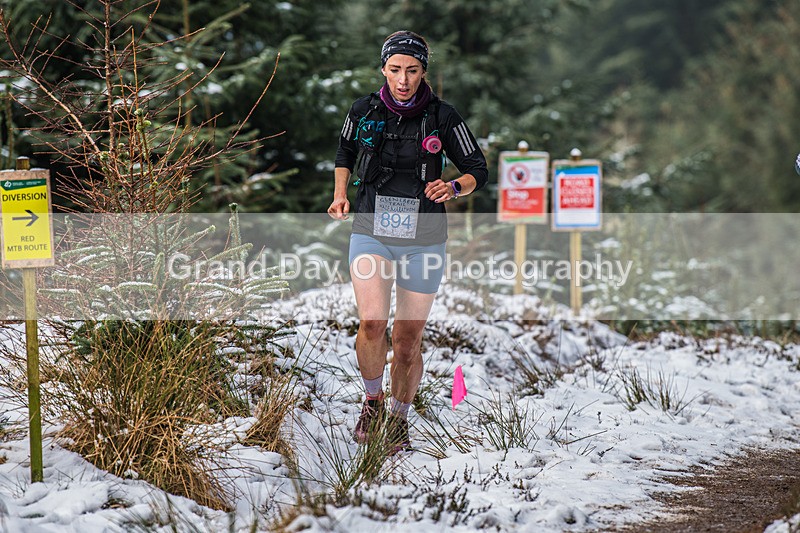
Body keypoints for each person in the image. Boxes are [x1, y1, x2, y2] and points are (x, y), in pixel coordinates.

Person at [328, 30, 488, 453]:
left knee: (407, 340)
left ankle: (399, 417)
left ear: (423, 72)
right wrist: (340, 194)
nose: (403, 79)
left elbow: (477, 169)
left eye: (412, 70)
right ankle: (372, 402)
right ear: (383, 69)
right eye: (395, 70)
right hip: (371, 231)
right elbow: (344, 154)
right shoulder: (362, 110)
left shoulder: (443, 116)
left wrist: (454, 188)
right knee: (372, 324)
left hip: (425, 238)